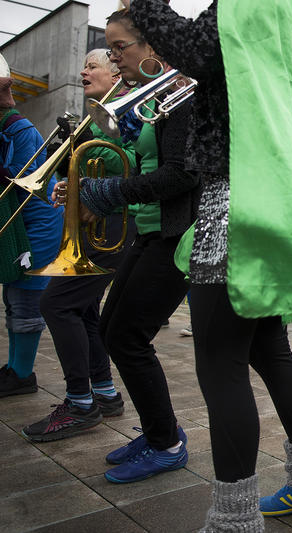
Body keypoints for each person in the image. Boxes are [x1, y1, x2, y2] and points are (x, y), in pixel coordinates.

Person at [125, 0, 292, 528]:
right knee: (269, 348)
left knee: (220, 365)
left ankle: (233, 520)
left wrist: (147, 7)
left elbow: (199, 49)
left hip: (234, 200)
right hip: (271, 194)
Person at [54, 8, 201, 484]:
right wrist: (89, 187)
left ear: (152, 45)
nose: (114, 59)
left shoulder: (181, 95)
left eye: (119, 47)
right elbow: (143, 165)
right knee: (114, 331)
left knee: (127, 338)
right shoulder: (154, 96)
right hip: (149, 228)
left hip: (176, 235)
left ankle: (166, 443)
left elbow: (180, 174)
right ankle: (160, 428)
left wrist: (111, 192)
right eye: (110, 49)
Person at [22, 49, 138, 441]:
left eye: (93, 65)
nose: (84, 71)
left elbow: (131, 165)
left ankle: (79, 403)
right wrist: (67, 183)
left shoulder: (125, 111)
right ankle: (103, 393)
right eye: (85, 65)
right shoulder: (94, 116)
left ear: (115, 74)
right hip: (98, 225)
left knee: (55, 303)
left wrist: (86, 173)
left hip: (117, 226)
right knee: (83, 308)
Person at [0, 53, 64, 398]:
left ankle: (23, 374)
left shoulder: (18, 129)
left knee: (25, 301)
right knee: (12, 298)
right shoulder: (6, 126)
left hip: (35, 226)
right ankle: (14, 368)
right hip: (21, 225)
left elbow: (22, 180)